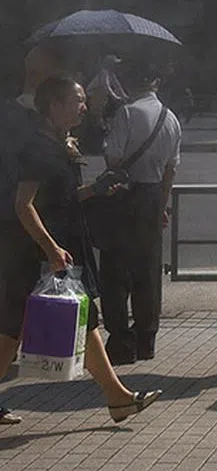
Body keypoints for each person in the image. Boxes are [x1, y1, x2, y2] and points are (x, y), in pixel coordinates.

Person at [0, 75, 161, 422]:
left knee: (74, 322)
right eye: (77, 100)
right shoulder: (37, 149)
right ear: (54, 106)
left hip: (62, 250)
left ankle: (118, 398)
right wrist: (52, 249)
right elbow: (23, 205)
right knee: (14, 330)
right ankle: (118, 398)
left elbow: (62, 199)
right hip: (37, 255)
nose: (84, 106)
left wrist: (97, 190)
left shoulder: (60, 146)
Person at [99, 67, 183, 365]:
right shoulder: (170, 118)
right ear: (157, 82)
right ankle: (147, 339)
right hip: (152, 196)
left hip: (124, 196)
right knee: (148, 273)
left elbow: (113, 158)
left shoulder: (126, 114)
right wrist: (161, 203)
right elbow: (171, 169)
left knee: (116, 272)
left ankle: (121, 341)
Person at [0, 45, 65, 424]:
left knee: (12, 321)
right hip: (15, 228)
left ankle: (116, 393)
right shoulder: (19, 119)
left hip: (23, 227)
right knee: (10, 321)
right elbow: (23, 189)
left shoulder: (31, 120)